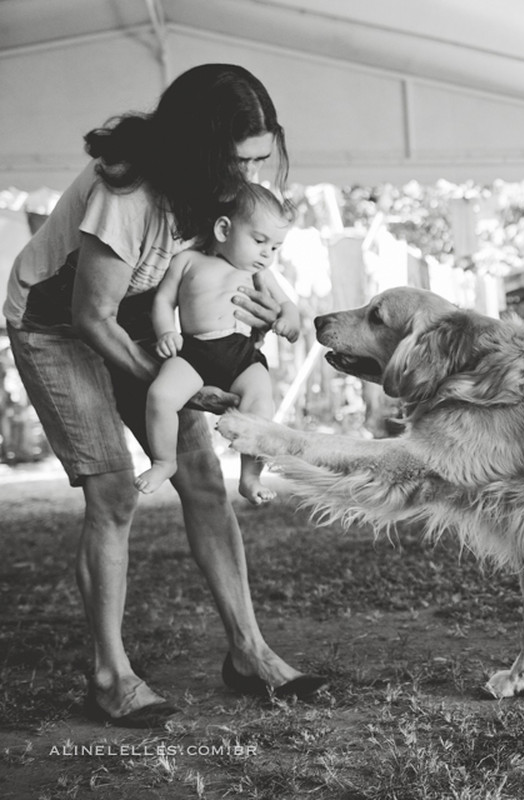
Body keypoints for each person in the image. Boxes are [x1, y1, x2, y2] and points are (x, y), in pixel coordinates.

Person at [4, 64, 327, 728]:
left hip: (133, 314)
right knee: (115, 490)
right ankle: (109, 675)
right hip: (56, 323)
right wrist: (175, 389)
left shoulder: (218, 191)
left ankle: (250, 653)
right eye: (239, 161)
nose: (249, 179)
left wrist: (257, 307)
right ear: (199, 147)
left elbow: (204, 279)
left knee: (203, 476)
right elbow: (92, 315)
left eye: (260, 161)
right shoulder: (127, 191)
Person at [135, 184, 301, 503]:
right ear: (224, 229)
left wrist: (289, 321)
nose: (268, 253)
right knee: (160, 395)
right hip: (194, 350)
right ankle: (164, 462)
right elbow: (164, 300)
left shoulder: (261, 274)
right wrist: (167, 332)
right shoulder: (187, 260)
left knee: (260, 407)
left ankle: (250, 477)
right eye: (259, 241)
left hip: (241, 355)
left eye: (276, 247)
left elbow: (287, 304)